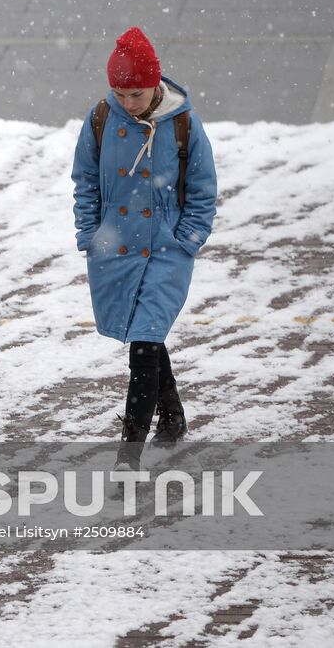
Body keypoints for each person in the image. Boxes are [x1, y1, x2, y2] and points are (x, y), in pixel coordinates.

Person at [71, 27, 217, 467]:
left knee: (145, 345)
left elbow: (203, 190)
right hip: (115, 247)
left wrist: (187, 239)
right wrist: (89, 234)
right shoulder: (100, 118)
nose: (128, 103)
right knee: (144, 335)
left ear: (155, 84)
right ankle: (172, 416)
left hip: (166, 250)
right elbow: (85, 181)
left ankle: (128, 456)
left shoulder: (184, 123)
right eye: (120, 93)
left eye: (136, 94)